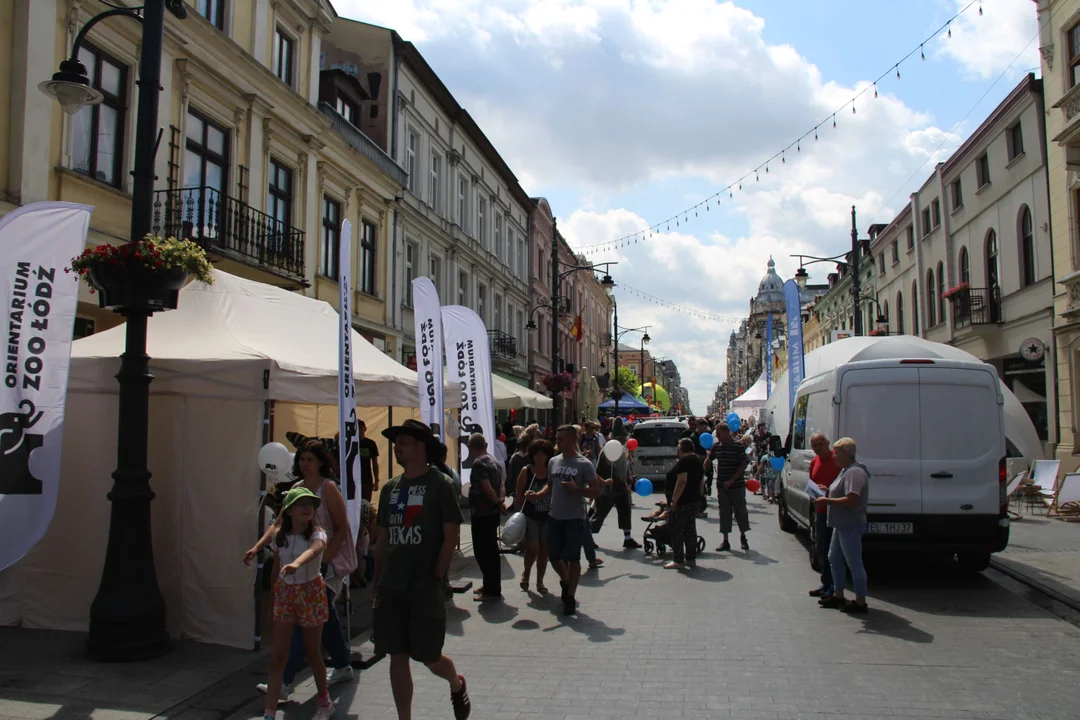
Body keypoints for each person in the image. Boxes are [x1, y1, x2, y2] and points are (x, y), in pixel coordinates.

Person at [374, 419, 471, 720]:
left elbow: (451, 532)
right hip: (393, 586)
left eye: (403, 442)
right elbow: (383, 538)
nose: (396, 447)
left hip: (424, 584)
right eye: (396, 442)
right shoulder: (390, 488)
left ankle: (455, 682)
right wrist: (378, 579)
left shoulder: (439, 484)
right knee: (397, 654)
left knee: (429, 657)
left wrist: (437, 574)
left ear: (420, 447)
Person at [247, 440, 354, 699]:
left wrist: (326, 556)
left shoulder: (328, 488)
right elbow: (279, 524)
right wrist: (258, 546)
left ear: (320, 462)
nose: (305, 464)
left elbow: (342, 527)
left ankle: (284, 682)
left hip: (325, 562)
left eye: (310, 459)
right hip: (300, 564)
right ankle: (342, 664)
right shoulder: (296, 488)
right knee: (323, 617)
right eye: (302, 459)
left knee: (302, 623)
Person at [251, 487, 334, 720]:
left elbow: (315, 550)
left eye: (310, 504)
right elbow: (276, 566)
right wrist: (256, 549)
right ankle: (269, 713)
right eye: (300, 504)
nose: (307, 508)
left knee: (313, 652)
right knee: (278, 655)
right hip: (285, 595)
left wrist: (297, 563)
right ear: (288, 511)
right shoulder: (280, 537)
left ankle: (325, 702)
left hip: (310, 593)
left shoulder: (318, 534)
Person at [546, 424, 603, 615]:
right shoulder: (553, 461)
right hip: (555, 516)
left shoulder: (583, 464)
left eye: (560, 439)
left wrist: (577, 490)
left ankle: (570, 596)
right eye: (557, 438)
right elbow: (549, 486)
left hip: (574, 518)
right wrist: (536, 495)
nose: (557, 442)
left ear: (572, 440)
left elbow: (596, 490)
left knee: (573, 557)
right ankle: (565, 579)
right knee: (553, 556)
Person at [815, 437, 870, 614]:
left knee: (853, 562)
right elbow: (841, 492)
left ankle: (861, 601)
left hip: (850, 523)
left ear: (846, 454)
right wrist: (827, 490)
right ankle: (838, 594)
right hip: (840, 523)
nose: (834, 457)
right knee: (834, 558)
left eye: (837, 453)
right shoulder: (845, 470)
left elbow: (852, 499)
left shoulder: (854, 472)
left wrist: (828, 500)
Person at [465, 433, 504, 602]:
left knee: (482, 552)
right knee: (492, 551)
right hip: (492, 513)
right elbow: (501, 484)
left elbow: (485, 486)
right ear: (486, 445)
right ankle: (490, 584)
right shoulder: (493, 461)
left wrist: (496, 502)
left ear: (470, 447)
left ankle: (491, 590)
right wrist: (501, 501)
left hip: (482, 513)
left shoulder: (479, 463)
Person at [591, 421, 639, 549]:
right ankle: (587, 536)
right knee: (600, 514)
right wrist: (600, 484)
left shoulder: (623, 449)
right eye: (623, 437)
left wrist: (629, 479)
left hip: (621, 486)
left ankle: (627, 538)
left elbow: (625, 466)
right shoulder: (608, 449)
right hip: (608, 487)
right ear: (618, 437)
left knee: (625, 511)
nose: (625, 438)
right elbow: (599, 469)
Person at [514, 438, 554, 593]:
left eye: (543, 454)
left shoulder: (551, 471)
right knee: (533, 548)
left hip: (547, 516)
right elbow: (518, 495)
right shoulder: (527, 471)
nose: (540, 457)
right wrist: (518, 516)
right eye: (537, 453)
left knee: (544, 549)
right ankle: (526, 573)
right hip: (530, 515)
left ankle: (540, 582)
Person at [807, 433, 841, 600]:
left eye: (820, 444)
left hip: (835, 512)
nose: (818, 448)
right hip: (820, 512)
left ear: (828, 443)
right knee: (821, 548)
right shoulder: (814, 462)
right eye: (814, 445)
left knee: (833, 552)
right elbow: (811, 484)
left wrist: (829, 492)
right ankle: (826, 584)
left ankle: (835, 588)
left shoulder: (837, 461)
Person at [710, 423, 750, 552]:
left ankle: (743, 537)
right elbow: (709, 459)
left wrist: (732, 480)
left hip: (737, 486)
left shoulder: (738, 446)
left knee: (740, 511)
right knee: (724, 513)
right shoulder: (717, 447)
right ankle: (725, 540)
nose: (717, 436)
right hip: (722, 486)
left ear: (726, 433)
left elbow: (743, 464)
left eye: (718, 433)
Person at [664, 438, 704, 570]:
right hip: (693, 500)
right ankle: (691, 558)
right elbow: (701, 482)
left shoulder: (685, 461)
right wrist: (700, 498)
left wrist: (674, 501)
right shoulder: (697, 460)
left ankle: (678, 560)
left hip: (683, 501)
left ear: (681, 448)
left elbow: (682, 481)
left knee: (676, 529)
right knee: (689, 529)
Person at [357, 420, 381, 503]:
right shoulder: (350, 444)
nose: (359, 430)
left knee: (366, 504)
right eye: (356, 428)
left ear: (365, 429)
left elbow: (375, 463)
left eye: (360, 428)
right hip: (353, 480)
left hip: (367, 479)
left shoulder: (370, 443)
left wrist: (376, 480)